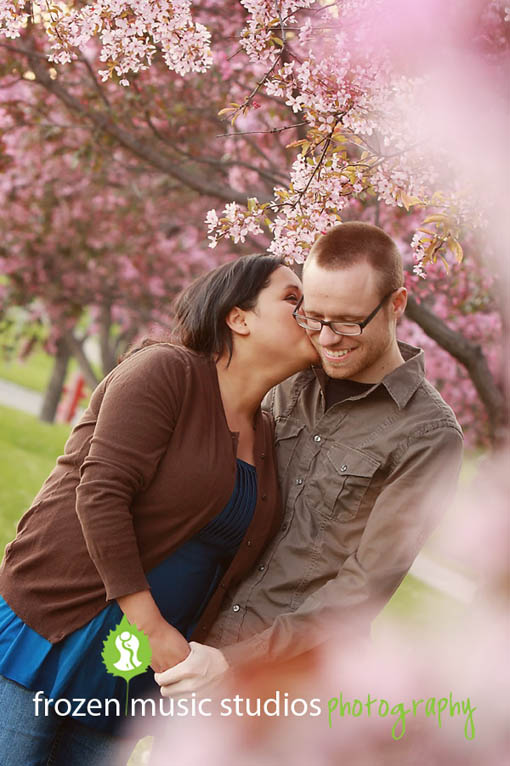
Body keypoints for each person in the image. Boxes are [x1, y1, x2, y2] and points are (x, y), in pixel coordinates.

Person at [0, 254, 318, 766]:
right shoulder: (166, 370)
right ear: (239, 318)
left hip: (133, 669)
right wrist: (154, 630)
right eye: (292, 299)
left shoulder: (265, 435)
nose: (312, 313)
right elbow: (100, 493)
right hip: (56, 626)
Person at [155, 221, 464, 696]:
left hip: (289, 684)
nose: (327, 338)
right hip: (194, 652)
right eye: (314, 318)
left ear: (396, 304)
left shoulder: (428, 436)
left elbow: (361, 590)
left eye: (347, 321)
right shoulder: (283, 378)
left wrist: (233, 662)